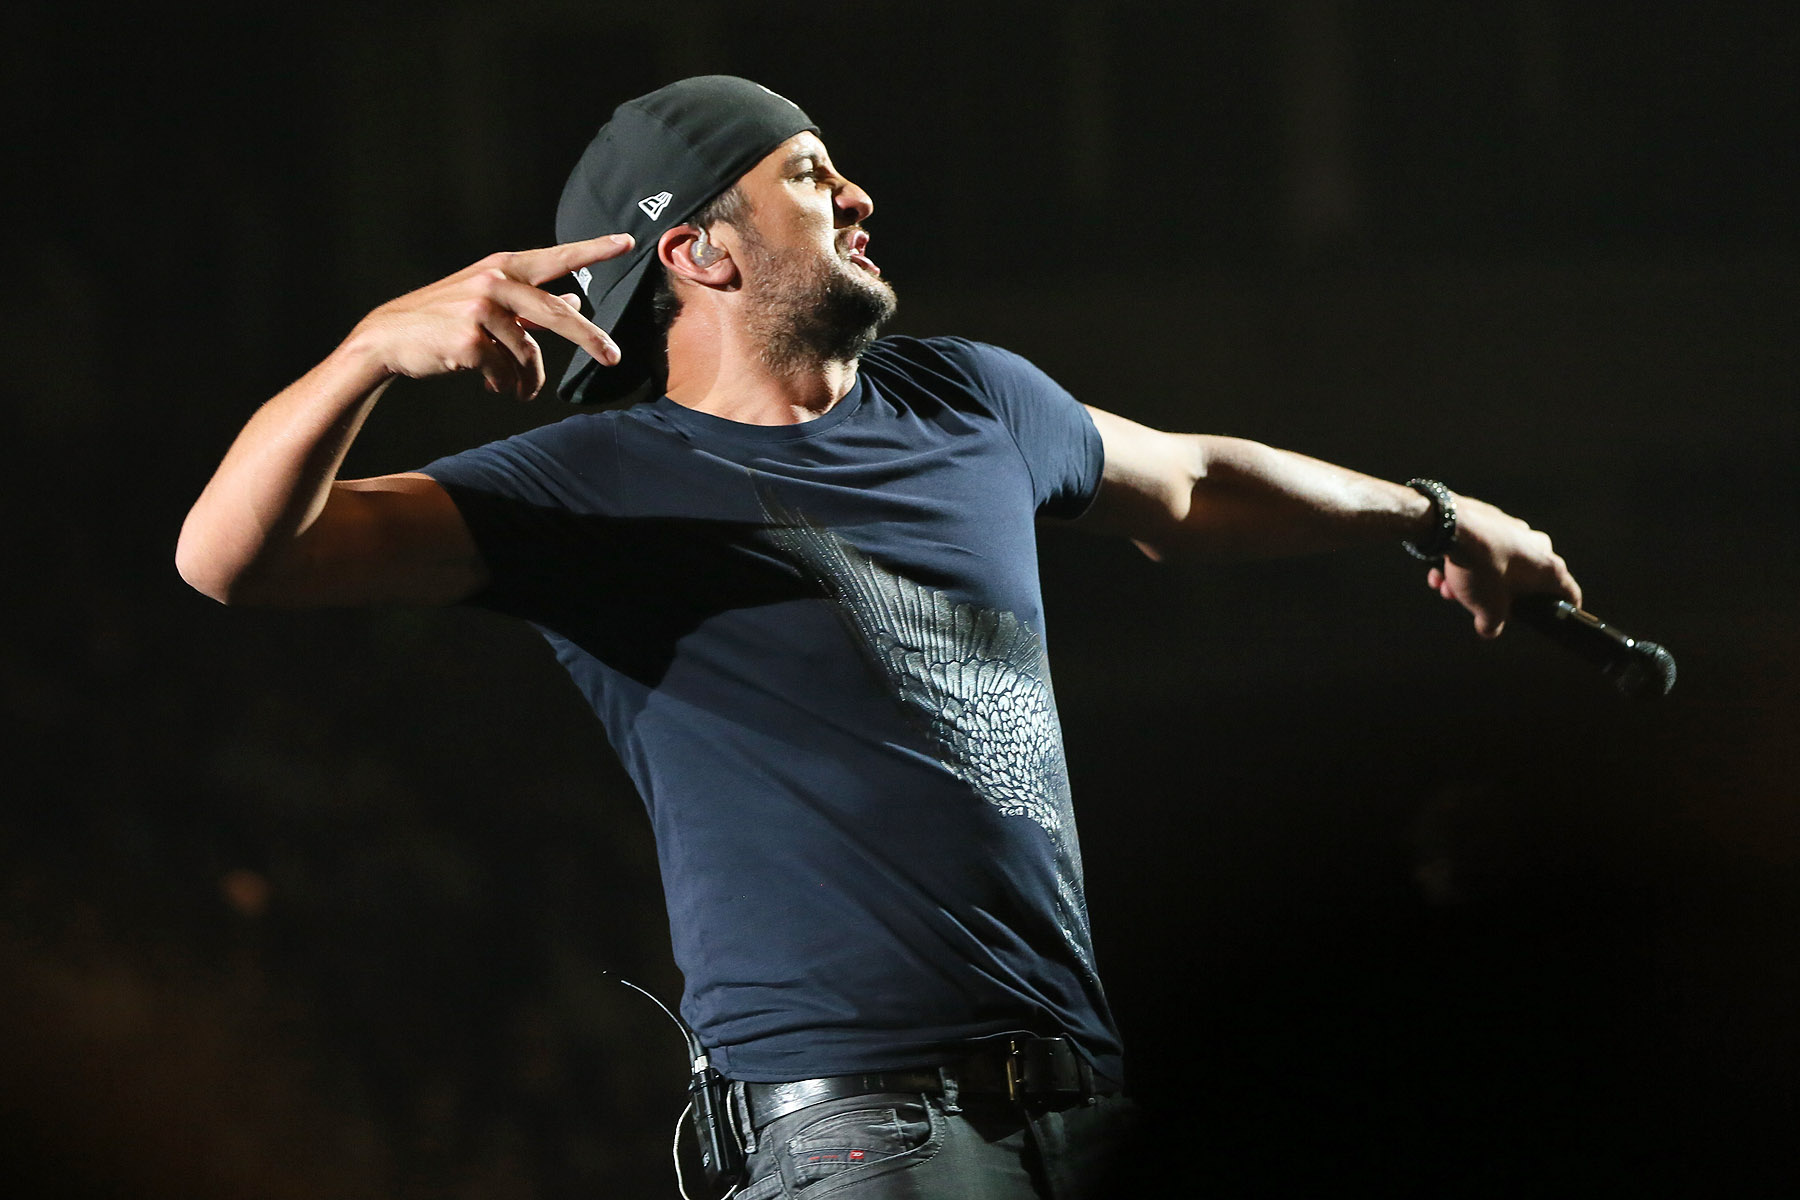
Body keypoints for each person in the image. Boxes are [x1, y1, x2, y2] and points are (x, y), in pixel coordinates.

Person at [177, 76, 1580, 1198]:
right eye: (806, 173)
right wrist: (370, 350)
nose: (855, 195)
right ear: (698, 250)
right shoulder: (594, 486)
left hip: (1081, 1100)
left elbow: (1196, 484)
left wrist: (1438, 516)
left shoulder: (970, 401)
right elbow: (234, 558)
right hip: (859, 1137)